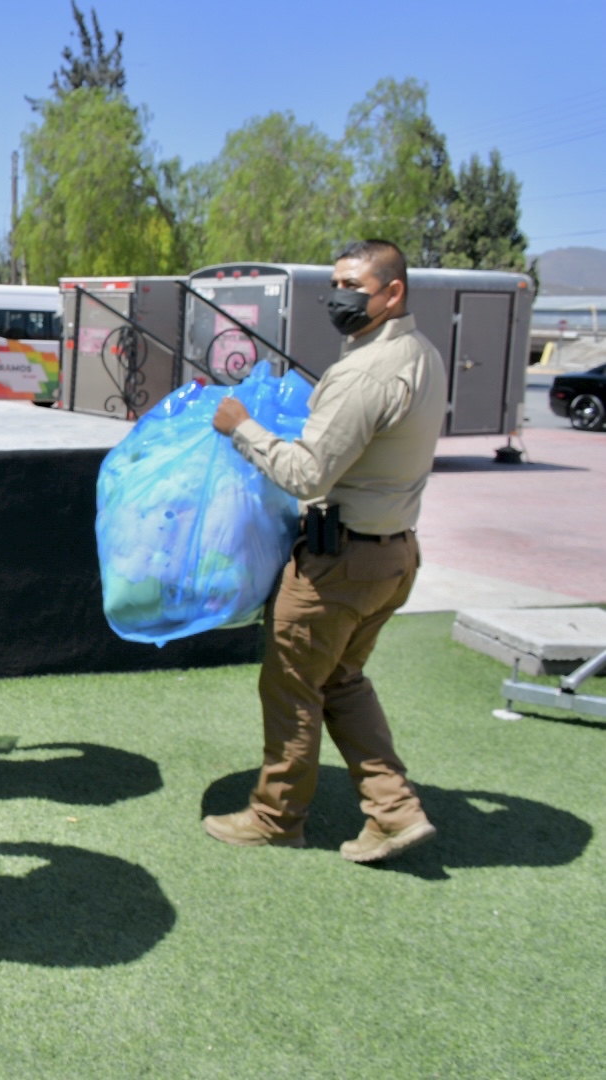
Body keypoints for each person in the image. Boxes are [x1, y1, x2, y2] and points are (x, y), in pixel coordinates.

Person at [205, 239, 445, 864]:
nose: (340, 297)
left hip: (338, 564)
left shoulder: (365, 372)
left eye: (354, 286)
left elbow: (307, 473)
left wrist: (242, 428)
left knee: (292, 686)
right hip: (393, 556)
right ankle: (395, 812)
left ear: (393, 291)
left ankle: (276, 817)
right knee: (341, 680)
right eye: (335, 284)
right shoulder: (421, 353)